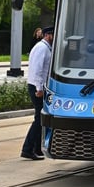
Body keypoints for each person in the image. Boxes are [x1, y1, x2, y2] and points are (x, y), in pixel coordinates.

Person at [22, 26, 53, 160]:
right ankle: (27, 149)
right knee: (39, 119)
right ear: (48, 35)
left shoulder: (45, 47)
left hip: (38, 86)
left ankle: (37, 148)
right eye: (53, 35)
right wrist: (39, 88)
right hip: (37, 87)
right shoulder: (42, 48)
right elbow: (37, 70)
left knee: (41, 119)